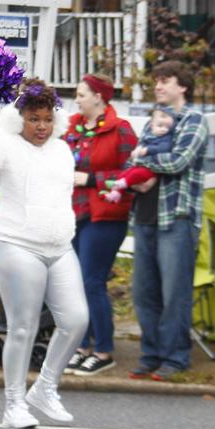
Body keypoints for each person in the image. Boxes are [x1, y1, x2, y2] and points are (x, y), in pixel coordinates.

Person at [0, 78, 89, 428]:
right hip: (17, 244)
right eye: (34, 118)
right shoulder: (2, 147)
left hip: (60, 247)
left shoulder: (62, 151)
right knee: (23, 327)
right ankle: (14, 403)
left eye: (48, 119)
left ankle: (46, 387)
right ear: (18, 117)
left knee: (77, 319)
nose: (42, 126)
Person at [129, 61, 209, 381]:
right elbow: (130, 159)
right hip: (145, 216)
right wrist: (140, 162)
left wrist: (144, 160)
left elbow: (178, 160)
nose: (158, 86)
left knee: (174, 291)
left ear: (183, 86)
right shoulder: (154, 120)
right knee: (143, 292)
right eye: (156, 81)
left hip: (176, 217)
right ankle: (151, 355)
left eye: (165, 81)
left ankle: (176, 358)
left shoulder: (195, 120)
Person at [62, 74, 137, 376]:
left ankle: (103, 350)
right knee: (75, 283)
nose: (77, 99)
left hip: (106, 214)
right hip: (73, 212)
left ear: (99, 97)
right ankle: (82, 347)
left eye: (82, 94)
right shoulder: (71, 129)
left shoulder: (120, 130)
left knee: (92, 281)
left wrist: (93, 179)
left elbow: (134, 172)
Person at [101, 105, 177, 203]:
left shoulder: (165, 138)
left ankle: (122, 184)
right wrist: (136, 152)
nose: (163, 129)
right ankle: (116, 193)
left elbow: (164, 148)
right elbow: (138, 149)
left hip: (150, 169)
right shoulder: (149, 136)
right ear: (152, 126)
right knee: (125, 173)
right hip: (139, 164)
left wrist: (147, 150)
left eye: (167, 127)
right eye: (160, 126)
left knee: (138, 174)